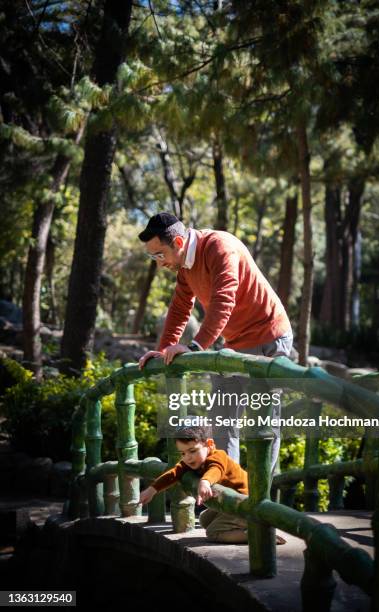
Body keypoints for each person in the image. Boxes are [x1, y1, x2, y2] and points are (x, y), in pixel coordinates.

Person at [138, 212, 293, 467]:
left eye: (159, 255)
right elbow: (179, 309)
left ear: (178, 243)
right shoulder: (185, 268)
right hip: (234, 345)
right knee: (221, 421)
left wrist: (194, 347)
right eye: (152, 257)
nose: (158, 263)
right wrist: (163, 349)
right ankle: (228, 493)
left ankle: (258, 498)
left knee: (262, 423)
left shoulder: (220, 246)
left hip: (269, 338)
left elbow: (224, 300)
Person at [138, 424, 286, 544]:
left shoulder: (218, 456)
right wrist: (152, 489)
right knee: (204, 519)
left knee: (213, 532)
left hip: (246, 503)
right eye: (183, 453)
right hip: (231, 502)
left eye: (192, 451)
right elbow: (174, 473)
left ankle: (259, 536)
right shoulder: (191, 462)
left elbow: (216, 469)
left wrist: (205, 481)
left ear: (209, 444)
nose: (188, 458)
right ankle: (248, 526)